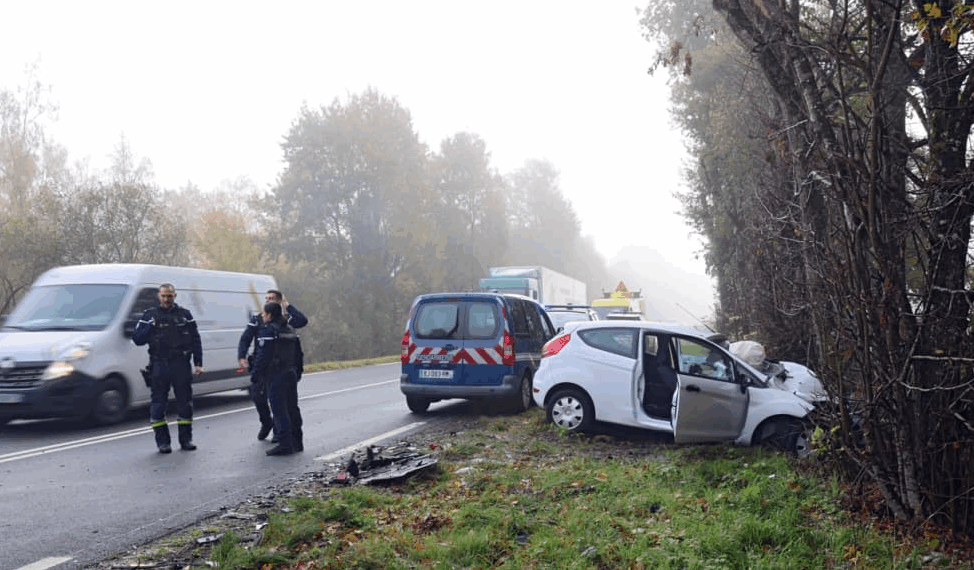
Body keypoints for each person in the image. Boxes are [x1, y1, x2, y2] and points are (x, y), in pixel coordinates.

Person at [132, 283, 204, 453]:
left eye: (170, 296)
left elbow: (196, 339)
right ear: (159, 296)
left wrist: (198, 362)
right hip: (159, 364)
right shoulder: (149, 315)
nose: (166, 299)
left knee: (185, 404)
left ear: (175, 296)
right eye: (163, 296)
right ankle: (162, 442)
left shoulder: (185, 315)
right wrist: (149, 326)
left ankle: (186, 440)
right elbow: (137, 339)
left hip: (181, 364)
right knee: (157, 405)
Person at [237, 290, 307, 441]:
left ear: (280, 302)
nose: (267, 301)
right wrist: (241, 356)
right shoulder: (259, 319)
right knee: (258, 398)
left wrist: (287, 306)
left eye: (271, 299)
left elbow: (302, 321)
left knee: (280, 403)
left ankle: (281, 434)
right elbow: (246, 337)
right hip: (262, 366)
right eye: (266, 298)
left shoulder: (285, 320)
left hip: (279, 368)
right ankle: (266, 423)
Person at [252, 301, 303, 455]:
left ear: (269, 315)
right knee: (292, 408)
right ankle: (297, 441)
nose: (262, 316)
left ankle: (284, 443)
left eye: (264, 313)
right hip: (290, 373)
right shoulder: (290, 329)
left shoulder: (268, 331)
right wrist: (298, 371)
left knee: (279, 410)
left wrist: (255, 375)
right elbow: (298, 354)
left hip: (275, 375)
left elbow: (263, 356)